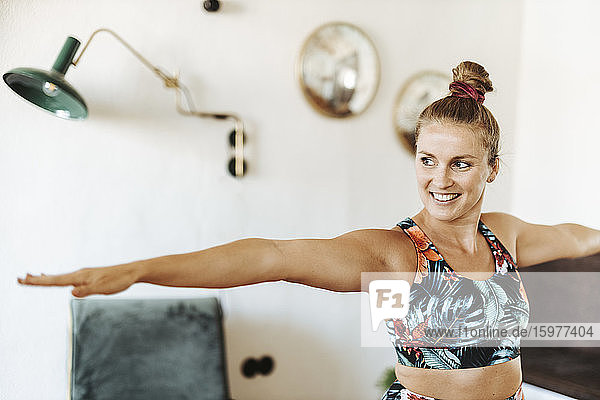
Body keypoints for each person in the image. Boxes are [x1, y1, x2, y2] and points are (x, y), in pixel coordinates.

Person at [17, 61, 600, 400]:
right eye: (426, 160)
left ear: (491, 169)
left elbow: (579, 238)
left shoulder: (507, 239)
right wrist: (139, 270)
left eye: (460, 163)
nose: (439, 180)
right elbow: (271, 255)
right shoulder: (397, 254)